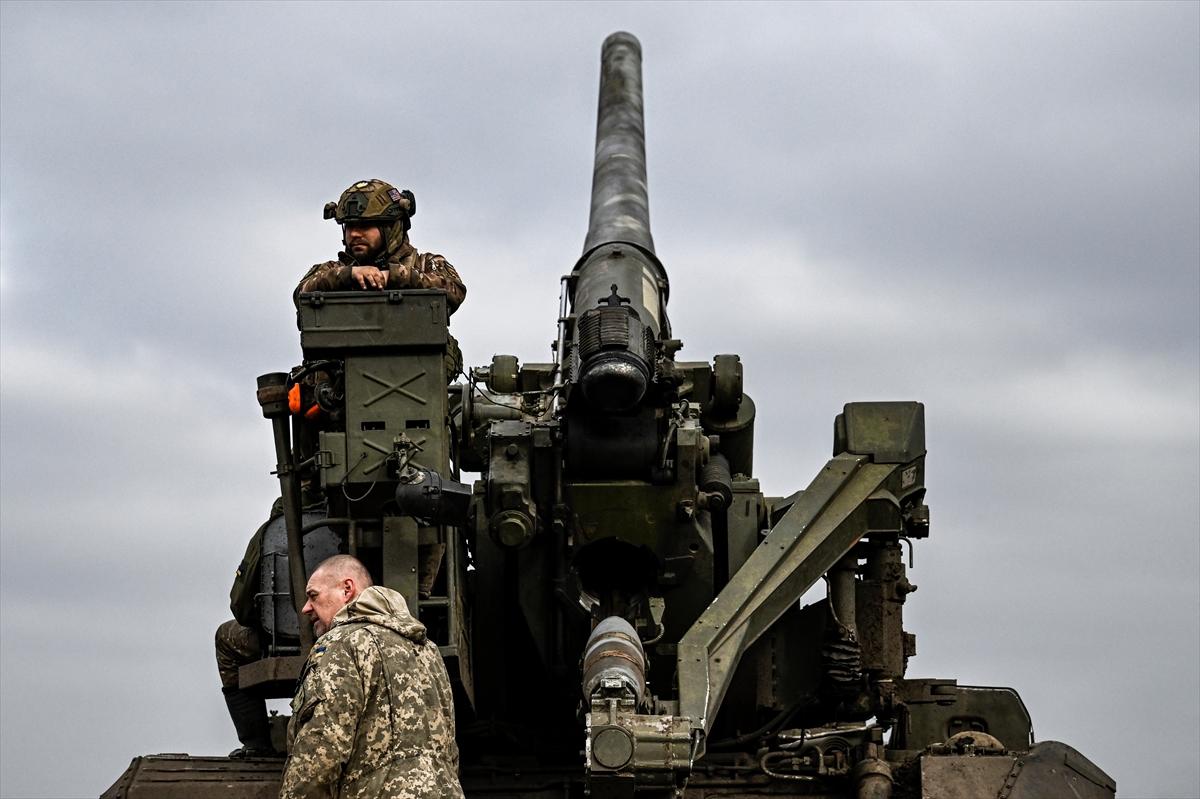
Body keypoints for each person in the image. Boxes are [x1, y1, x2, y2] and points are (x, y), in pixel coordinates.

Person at [280, 555, 464, 799]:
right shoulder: (427, 649)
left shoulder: (341, 642)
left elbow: (321, 749)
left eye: (313, 595)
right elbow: (450, 750)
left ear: (347, 589)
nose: (305, 608)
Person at [295, 178, 465, 313]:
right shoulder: (333, 270)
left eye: (365, 226)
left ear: (390, 229)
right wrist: (349, 275)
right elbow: (301, 293)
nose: (354, 234)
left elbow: (454, 290)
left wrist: (393, 276)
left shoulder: (425, 264)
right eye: (350, 226)